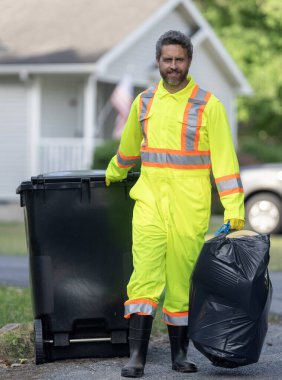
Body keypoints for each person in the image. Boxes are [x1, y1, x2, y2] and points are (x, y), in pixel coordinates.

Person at [105, 30, 245, 378]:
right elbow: (129, 148)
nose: (173, 66)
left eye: (179, 60)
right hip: (149, 202)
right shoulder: (144, 102)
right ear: (158, 62)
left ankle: (178, 356)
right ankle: (137, 357)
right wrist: (113, 172)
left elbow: (225, 163)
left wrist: (234, 209)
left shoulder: (208, 105)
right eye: (167, 60)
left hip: (190, 207)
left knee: (181, 280)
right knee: (144, 276)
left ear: (189, 61)